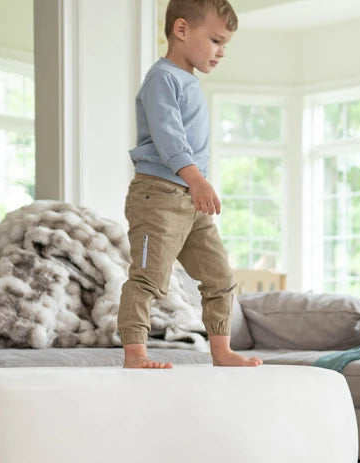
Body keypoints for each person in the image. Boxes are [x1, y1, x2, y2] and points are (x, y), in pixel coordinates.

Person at [116, 0, 260, 369]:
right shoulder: (162, 79)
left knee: (220, 276)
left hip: (189, 200)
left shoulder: (188, 82)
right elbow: (169, 137)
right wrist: (196, 179)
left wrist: (196, 185)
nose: (221, 51)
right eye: (215, 40)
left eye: (225, 44)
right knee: (148, 277)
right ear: (182, 30)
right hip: (158, 196)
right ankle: (135, 353)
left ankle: (221, 351)